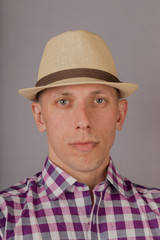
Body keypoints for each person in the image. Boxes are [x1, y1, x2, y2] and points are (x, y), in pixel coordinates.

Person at [0, 30, 159, 240]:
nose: (83, 121)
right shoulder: (6, 217)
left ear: (120, 114)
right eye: (63, 102)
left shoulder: (156, 212)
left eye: (99, 101)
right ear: (40, 117)